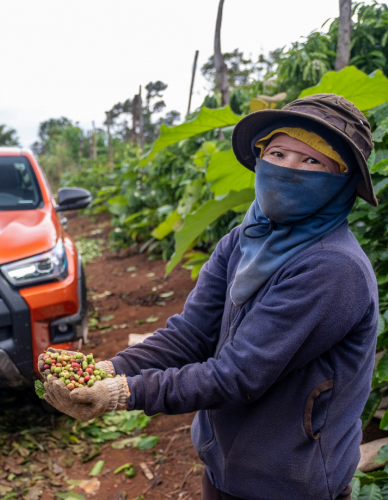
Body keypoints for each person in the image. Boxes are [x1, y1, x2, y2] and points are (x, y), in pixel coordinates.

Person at [40, 93, 380, 500]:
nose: (288, 169)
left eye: (312, 162)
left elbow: (239, 375)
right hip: (225, 468)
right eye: (278, 152)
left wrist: (124, 392)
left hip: (291, 483)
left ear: (341, 181)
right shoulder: (242, 240)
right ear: (259, 159)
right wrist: (110, 370)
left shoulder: (332, 268)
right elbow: (190, 335)